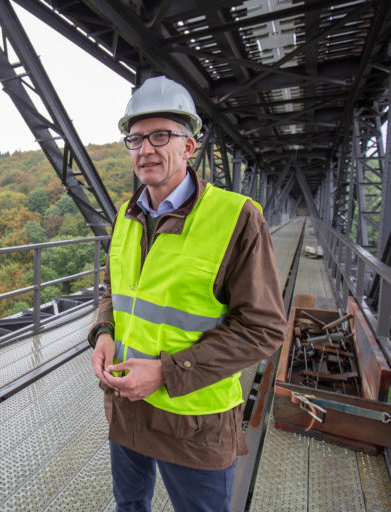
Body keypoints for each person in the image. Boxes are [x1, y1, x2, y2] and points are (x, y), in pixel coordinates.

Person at [88, 76, 286, 512]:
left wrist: (164, 372)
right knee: (130, 506)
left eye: (161, 136)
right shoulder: (127, 214)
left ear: (190, 147)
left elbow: (264, 329)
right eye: (136, 138)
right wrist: (103, 333)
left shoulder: (236, 219)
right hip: (127, 408)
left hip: (194, 422)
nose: (146, 149)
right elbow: (114, 290)